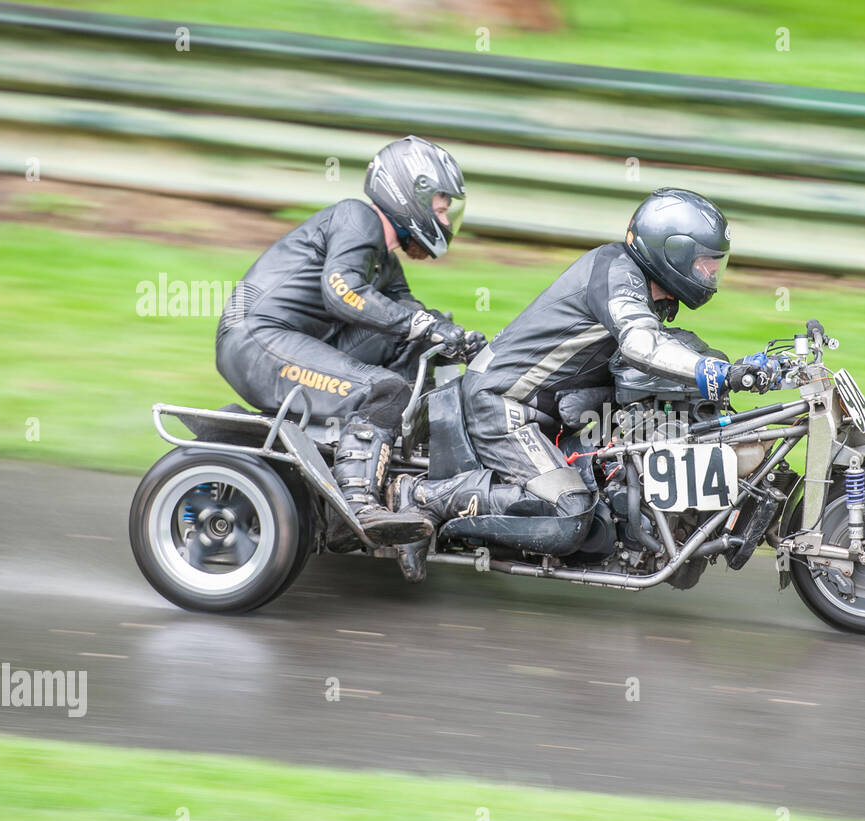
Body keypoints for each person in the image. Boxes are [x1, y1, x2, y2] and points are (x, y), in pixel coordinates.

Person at [389, 187, 778, 581]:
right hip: (504, 402)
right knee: (571, 511)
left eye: (714, 264)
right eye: (704, 263)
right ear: (671, 251)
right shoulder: (617, 272)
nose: (711, 274)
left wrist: (741, 368)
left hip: (546, 407)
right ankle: (423, 498)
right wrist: (715, 373)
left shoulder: (648, 288)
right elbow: (642, 343)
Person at [215, 135, 485, 548]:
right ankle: (357, 507)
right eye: (441, 208)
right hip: (258, 341)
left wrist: (459, 340)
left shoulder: (384, 259)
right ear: (410, 194)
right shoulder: (356, 217)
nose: (446, 222)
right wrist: (421, 324)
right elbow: (340, 290)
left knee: (420, 345)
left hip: (294, 341)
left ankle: (414, 467)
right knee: (383, 388)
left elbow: (407, 312)